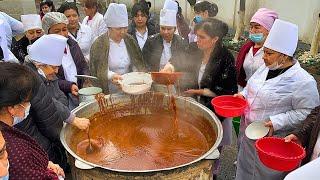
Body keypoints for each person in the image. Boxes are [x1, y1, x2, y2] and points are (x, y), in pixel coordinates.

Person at [234, 19, 320, 180]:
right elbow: (252, 86)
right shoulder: (266, 67)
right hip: (249, 135)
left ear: (285, 55)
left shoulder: (303, 81)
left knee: (264, 175)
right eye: (264, 51)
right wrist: (243, 95)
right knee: (244, 172)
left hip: (273, 144)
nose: (264, 57)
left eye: (269, 53)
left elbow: (308, 113)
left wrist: (277, 121)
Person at [0, 62, 64, 179]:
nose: (30, 105)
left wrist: (45, 165)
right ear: (12, 108)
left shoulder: (7, 129)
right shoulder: (18, 154)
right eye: (27, 101)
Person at [90, 3, 147, 94]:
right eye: (118, 29)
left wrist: (137, 76)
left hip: (130, 87)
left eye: (125, 28)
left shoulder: (130, 40)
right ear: (109, 28)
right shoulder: (99, 44)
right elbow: (98, 70)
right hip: (109, 88)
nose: (122, 32)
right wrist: (111, 76)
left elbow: (137, 63)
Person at [42, 12, 90, 109]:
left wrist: (86, 79)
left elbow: (82, 65)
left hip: (79, 90)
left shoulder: (73, 45)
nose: (62, 34)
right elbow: (49, 79)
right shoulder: (44, 52)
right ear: (48, 32)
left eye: (64, 29)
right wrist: (69, 86)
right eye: (57, 31)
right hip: (60, 97)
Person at [236, 8, 278, 90]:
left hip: (263, 93)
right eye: (251, 27)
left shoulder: (274, 52)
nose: (252, 30)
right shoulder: (246, 48)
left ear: (269, 30)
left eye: (257, 27)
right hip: (243, 91)